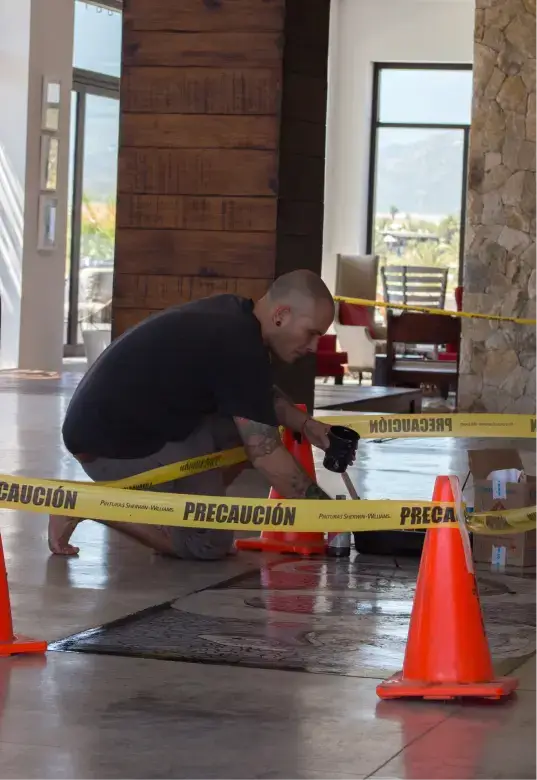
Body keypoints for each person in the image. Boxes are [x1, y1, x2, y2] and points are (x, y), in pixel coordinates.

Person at [49, 269, 336, 559]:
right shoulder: (238, 343)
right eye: (312, 333)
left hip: (125, 425)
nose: (313, 347)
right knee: (207, 544)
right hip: (110, 447)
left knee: (244, 427)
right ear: (281, 315)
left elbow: (255, 396)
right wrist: (334, 516)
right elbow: (266, 454)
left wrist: (307, 425)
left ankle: (187, 513)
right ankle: (81, 504)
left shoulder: (235, 319)